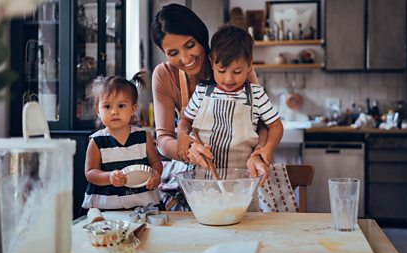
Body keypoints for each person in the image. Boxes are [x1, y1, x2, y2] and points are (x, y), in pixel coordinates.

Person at [150, 4, 270, 181]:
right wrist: (187, 149)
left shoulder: (231, 63)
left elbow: (262, 123)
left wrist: (259, 154)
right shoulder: (164, 75)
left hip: (242, 172)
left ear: (200, 36)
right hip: (198, 173)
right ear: (163, 52)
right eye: (173, 53)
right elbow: (163, 139)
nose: (185, 58)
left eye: (190, 45)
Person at [177, 25, 284, 185]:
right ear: (211, 63)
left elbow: (276, 125)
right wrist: (182, 136)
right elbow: (185, 121)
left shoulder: (256, 94)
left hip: (244, 182)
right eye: (221, 71)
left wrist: (268, 148)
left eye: (237, 72)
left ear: (249, 66)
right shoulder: (202, 93)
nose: (228, 79)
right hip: (204, 182)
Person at [82, 71, 163, 212]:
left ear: (133, 109)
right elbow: (90, 173)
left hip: (143, 203)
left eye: (121, 106)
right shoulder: (97, 141)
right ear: (98, 111)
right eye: (107, 106)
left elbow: (156, 163)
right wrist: (109, 177)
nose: (114, 111)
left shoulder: (143, 136)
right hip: (107, 206)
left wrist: (156, 175)